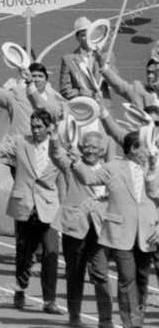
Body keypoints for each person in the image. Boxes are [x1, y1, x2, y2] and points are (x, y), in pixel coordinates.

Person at [0, 109, 65, 315]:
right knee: (24, 254)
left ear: (49, 127)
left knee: (51, 253)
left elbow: (65, 176)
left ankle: (49, 300)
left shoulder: (58, 147)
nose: (35, 130)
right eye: (33, 126)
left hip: (48, 208)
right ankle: (20, 289)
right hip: (24, 205)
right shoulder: (19, 142)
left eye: (39, 126)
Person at [69, 130, 159, 328]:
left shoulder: (153, 167)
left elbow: (154, 192)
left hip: (147, 234)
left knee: (142, 281)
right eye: (146, 146)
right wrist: (76, 163)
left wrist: (153, 166)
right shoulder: (113, 167)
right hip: (121, 234)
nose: (150, 150)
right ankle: (130, 324)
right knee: (127, 279)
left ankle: (138, 320)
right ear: (134, 148)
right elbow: (89, 177)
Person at [48, 130, 115, 328]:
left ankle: (106, 320)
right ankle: (74, 316)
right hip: (75, 228)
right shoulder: (72, 166)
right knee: (75, 274)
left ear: (102, 150)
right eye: (86, 146)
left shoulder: (109, 170)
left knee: (101, 275)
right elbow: (56, 154)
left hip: (100, 230)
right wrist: (53, 138)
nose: (90, 150)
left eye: (94, 147)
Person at [59, 16, 104, 100]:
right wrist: (82, 93)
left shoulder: (105, 56)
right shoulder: (68, 59)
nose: (87, 38)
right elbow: (65, 90)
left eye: (89, 34)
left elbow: (114, 81)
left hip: (104, 106)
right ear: (77, 37)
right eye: (83, 35)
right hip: (82, 107)